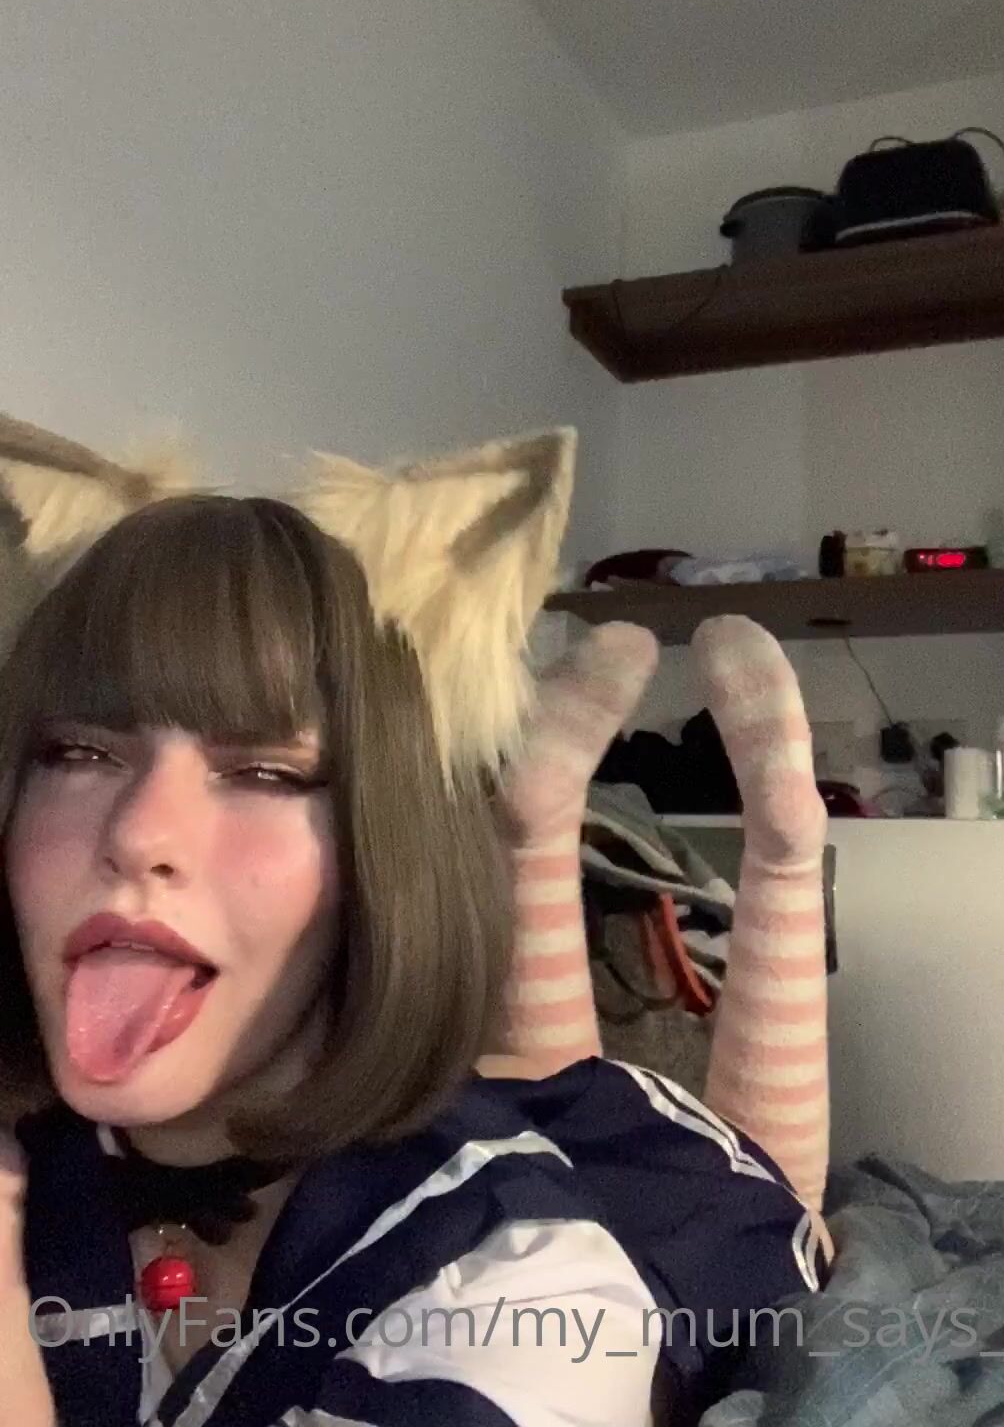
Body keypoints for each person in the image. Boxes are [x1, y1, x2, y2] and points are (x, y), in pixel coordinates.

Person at [0, 418, 829, 1427]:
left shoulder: (518, 1300)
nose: (139, 834)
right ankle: (540, 815)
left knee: (770, 1177)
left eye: (265, 771)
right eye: (79, 753)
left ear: (384, 852)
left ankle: (776, 851)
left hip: (673, 1192)